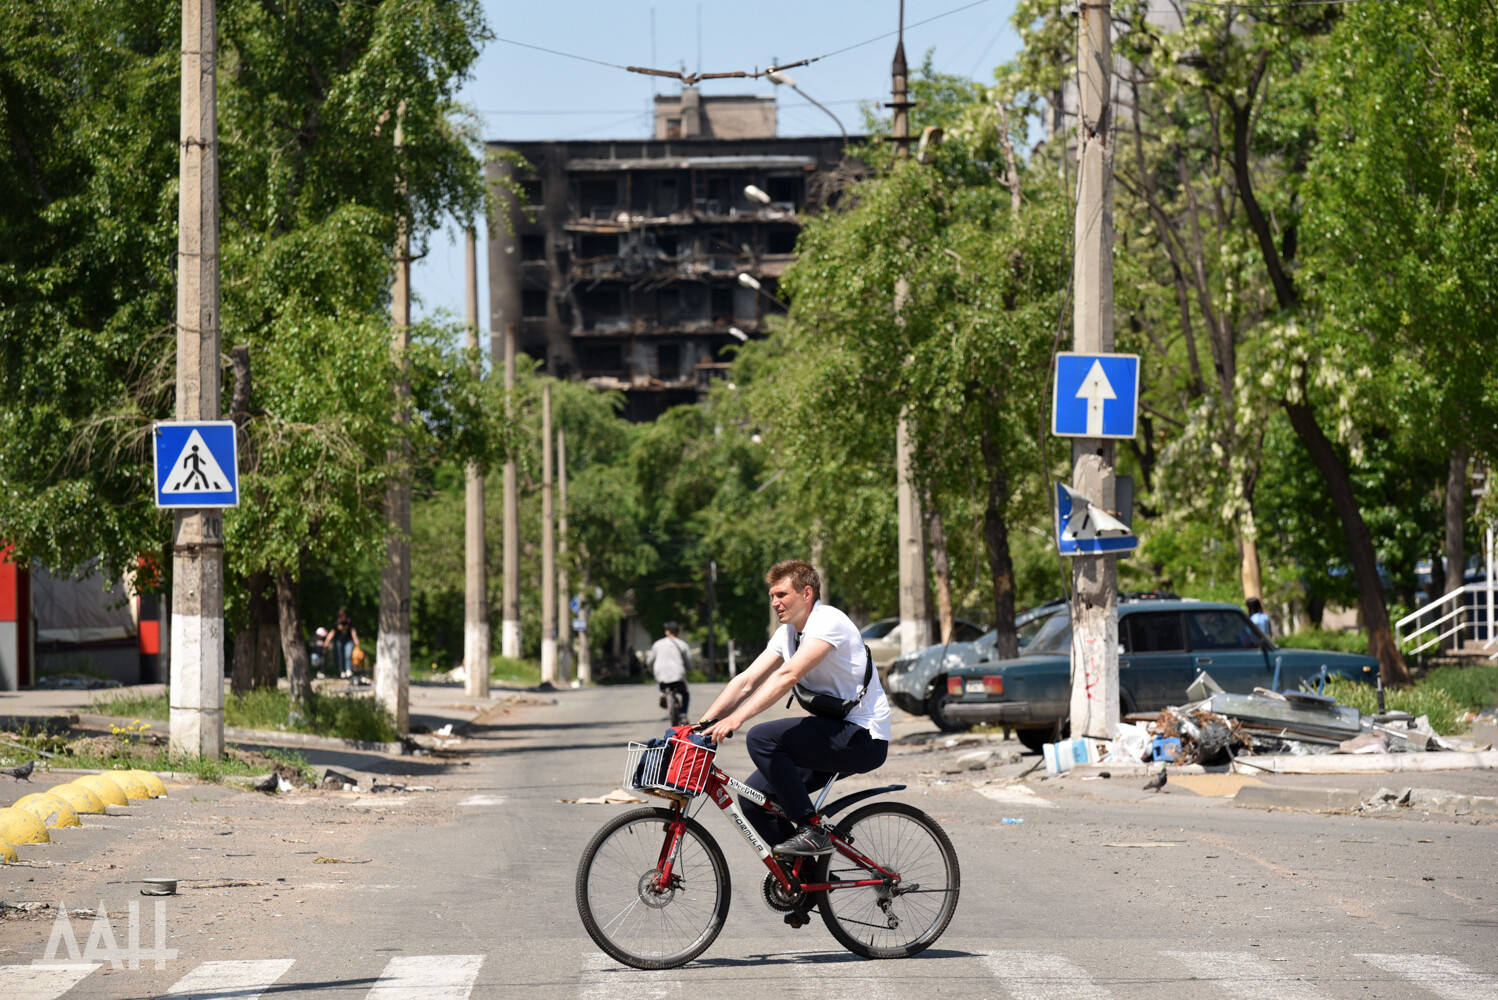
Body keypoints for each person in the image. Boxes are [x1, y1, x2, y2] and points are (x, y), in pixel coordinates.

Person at [702, 560, 890, 858]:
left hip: (864, 736)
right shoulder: (788, 634)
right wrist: (702, 725)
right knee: (754, 800)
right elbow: (746, 680)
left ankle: (810, 829)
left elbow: (787, 676)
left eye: (781, 595)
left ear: (806, 593)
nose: (775, 602)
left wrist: (735, 719)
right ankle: (804, 881)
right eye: (772, 596)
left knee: (762, 737)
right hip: (834, 733)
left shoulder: (829, 622)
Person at [648, 621, 692, 720]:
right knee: (685, 693)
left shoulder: (657, 644)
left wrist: (651, 669)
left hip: (662, 676)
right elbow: (688, 661)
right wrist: (689, 669)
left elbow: (650, 661)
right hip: (678, 676)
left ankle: (662, 694)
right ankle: (684, 714)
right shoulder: (682, 644)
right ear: (677, 632)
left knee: (662, 685)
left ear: (667, 632)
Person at [326, 609, 360, 679]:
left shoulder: (348, 621)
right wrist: (327, 641)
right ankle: (342, 671)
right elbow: (332, 632)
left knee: (348, 654)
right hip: (339, 641)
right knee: (340, 656)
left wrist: (356, 640)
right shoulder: (336, 623)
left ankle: (348, 669)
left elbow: (352, 631)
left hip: (348, 641)